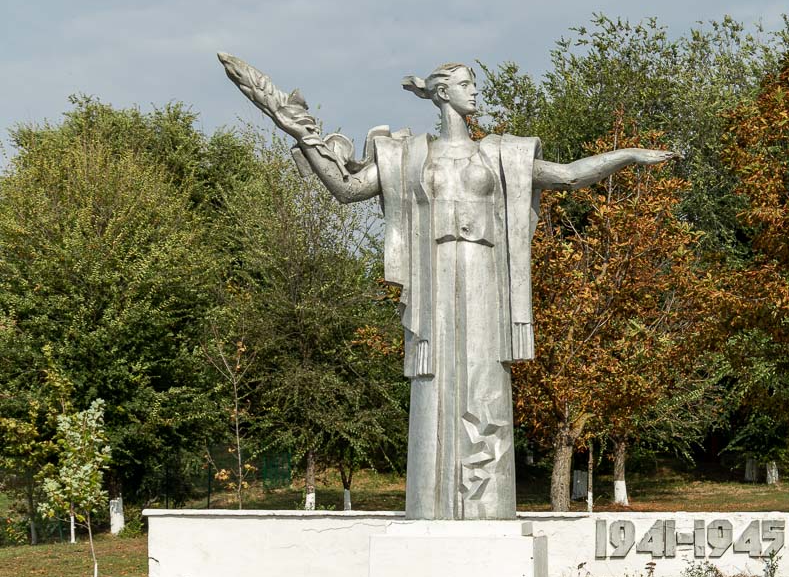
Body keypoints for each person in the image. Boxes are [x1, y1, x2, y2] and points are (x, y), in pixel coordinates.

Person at [255, 60, 674, 519]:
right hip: (432, 275)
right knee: (433, 377)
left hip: (484, 272)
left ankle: (483, 502)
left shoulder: (499, 155)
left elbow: (569, 176)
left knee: (484, 376)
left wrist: (628, 155)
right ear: (441, 93)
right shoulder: (409, 156)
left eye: (473, 84)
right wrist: (302, 135)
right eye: (464, 84)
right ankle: (432, 501)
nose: (473, 92)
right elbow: (347, 188)